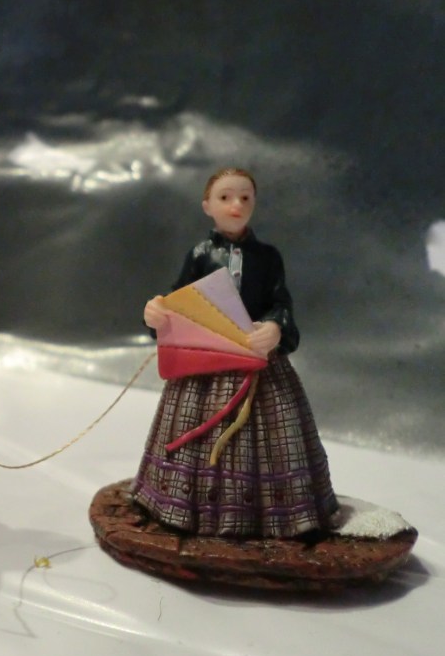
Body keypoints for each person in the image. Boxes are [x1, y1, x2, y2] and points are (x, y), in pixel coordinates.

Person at [131, 168, 338, 538]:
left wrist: (275, 327)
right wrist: (157, 314)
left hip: (259, 365)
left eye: (245, 197)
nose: (236, 205)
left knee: (276, 438)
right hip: (204, 367)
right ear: (207, 206)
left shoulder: (269, 257)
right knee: (194, 435)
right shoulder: (200, 254)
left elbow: (281, 302)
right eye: (225, 197)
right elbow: (178, 301)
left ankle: (274, 515)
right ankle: (184, 510)